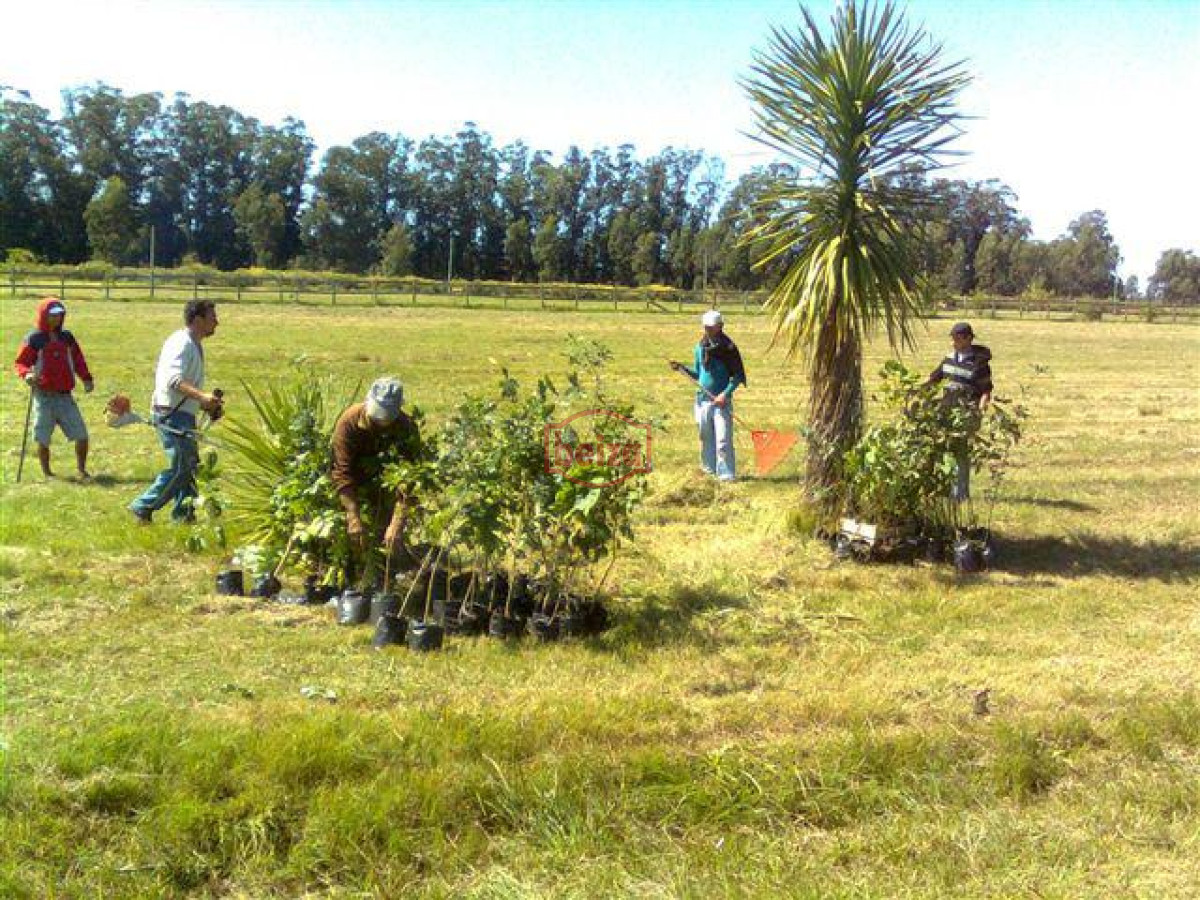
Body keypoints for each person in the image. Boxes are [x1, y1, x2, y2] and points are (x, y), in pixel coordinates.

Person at [129, 300, 223, 523]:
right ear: (198, 320)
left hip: (182, 413)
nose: (217, 322)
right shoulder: (182, 343)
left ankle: (184, 516)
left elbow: (183, 385)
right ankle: (143, 506)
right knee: (183, 467)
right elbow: (174, 381)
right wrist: (202, 397)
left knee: (189, 466)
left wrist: (208, 405)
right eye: (212, 318)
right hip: (170, 414)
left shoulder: (194, 344)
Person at [331, 377, 422, 573]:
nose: (381, 422)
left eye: (386, 418)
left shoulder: (406, 428)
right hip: (354, 482)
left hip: (384, 486)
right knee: (345, 537)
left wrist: (396, 524)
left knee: (386, 539)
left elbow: (409, 481)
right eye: (377, 416)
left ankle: (383, 569)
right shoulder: (349, 422)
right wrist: (353, 516)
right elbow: (342, 472)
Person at [14, 296, 95, 479]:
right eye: (52, 315)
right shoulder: (34, 338)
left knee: (82, 435)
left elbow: (78, 359)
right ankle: (48, 473)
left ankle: (82, 470)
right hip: (43, 396)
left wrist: (86, 378)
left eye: (60, 314)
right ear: (44, 315)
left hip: (65, 396)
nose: (57, 318)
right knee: (43, 438)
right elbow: (21, 362)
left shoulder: (67, 337)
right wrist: (27, 375)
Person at [669, 309, 747, 482]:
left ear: (720, 326)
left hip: (721, 403)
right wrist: (682, 368)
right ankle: (709, 473)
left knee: (723, 440)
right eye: (706, 327)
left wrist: (724, 395)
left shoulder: (729, 349)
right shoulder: (699, 347)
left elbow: (738, 376)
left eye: (711, 327)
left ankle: (726, 475)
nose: (708, 330)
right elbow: (698, 374)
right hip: (702, 401)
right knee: (706, 439)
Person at [927, 321, 993, 501]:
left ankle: (960, 495)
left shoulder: (979, 364)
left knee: (961, 453)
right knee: (942, 450)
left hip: (966, 414)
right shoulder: (948, 358)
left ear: (968, 339)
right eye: (952, 337)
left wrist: (979, 412)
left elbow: (986, 391)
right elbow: (933, 379)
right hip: (945, 412)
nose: (953, 341)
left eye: (957, 338)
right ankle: (942, 492)